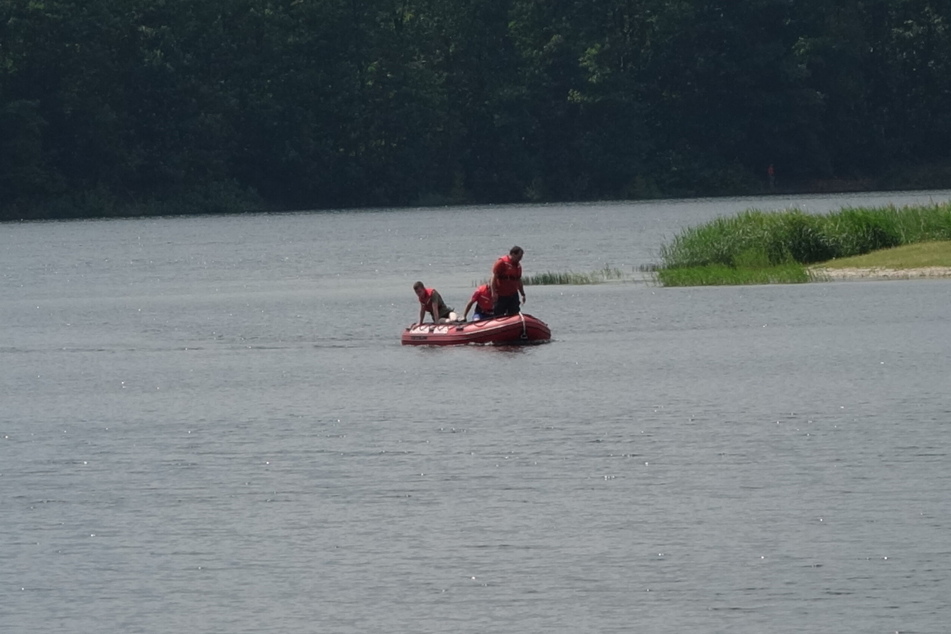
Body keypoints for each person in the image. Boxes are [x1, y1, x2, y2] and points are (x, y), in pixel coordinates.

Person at [491, 245, 526, 316]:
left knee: (514, 314)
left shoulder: (518, 266)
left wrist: (522, 294)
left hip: (513, 295)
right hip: (501, 295)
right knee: (498, 315)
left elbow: (519, 280)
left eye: (521, 257)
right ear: (513, 254)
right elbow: (493, 278)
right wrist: (493, 292)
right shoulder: (502, 263)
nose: (520, 259)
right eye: (519, 257)